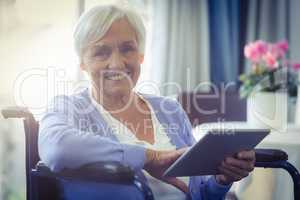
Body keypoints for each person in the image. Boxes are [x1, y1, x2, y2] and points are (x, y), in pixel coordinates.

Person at [38, 4, 255, 200]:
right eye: (100, 52)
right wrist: (149, 157)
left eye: (127, 49)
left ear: (140, 55)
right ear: (82, 64)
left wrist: (221, 179)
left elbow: (198, 193)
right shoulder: (68, 107)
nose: (116, 63)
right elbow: (57, 148)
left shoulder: (169, 109)